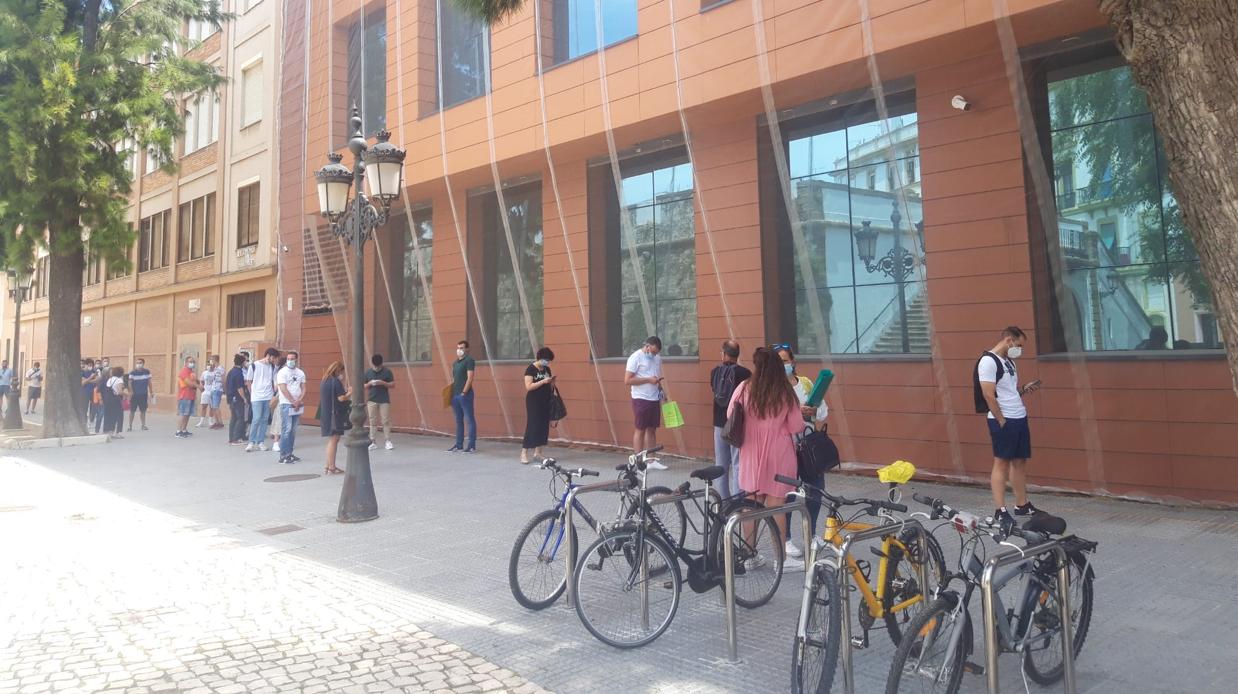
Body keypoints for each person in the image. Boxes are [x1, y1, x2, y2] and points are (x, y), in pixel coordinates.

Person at [727, 347, 805, 572]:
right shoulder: (784, 391)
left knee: (750, 505)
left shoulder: (743, 388)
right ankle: (781, 559)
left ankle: (749, 555)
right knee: (776, 505)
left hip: (750, 452)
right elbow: (796, 426)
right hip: (779, 453)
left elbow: (730, 415)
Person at [975, 326, 1042, 531]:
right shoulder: (988, 361)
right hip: (1004, 419)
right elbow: (988, 394)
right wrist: (1001, 419)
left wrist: (1023, 389)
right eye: (1018, 345)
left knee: (1020, 461)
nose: (1019, 350)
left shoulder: (1009, 361)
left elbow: (1008, 391)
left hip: (1019, 416)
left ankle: (1022, 504)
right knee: (1001, 463)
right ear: (1008, 340)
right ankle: (1000, 510)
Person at [774, 344, 829, 561]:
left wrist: (814, 411)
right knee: (787, 493)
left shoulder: (805, 383)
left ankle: (812, 534)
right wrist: (798, 412)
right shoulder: (774, 388)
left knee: (815, 489)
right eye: (779, 361)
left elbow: (823, 410)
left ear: (793, 362)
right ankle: (786, 538)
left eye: (786, 360)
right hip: (785, 446)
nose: (783, 365)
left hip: (807, 446)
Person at [710, 341, 751, 499]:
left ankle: (723, 503)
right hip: (737, 424)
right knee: (738, 463)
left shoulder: (714, 372)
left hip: (719, 423)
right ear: (737, 354)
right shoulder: (745, 373)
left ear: (723, 353)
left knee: (721, 464)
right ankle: (737, 502)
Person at [624, 336, 663, 454]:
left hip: (655, 397)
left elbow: (655, 376)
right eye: (653, 352)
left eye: (656, 353)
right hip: (641, 398)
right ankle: (638, 460)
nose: (654, 355)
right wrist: (648, 380)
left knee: (652, 429)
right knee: (640, 429)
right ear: (647, 346)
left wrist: (661, 389)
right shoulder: (635, 357)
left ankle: (651, 460)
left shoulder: (657, 358)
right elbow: (627, 380)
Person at [521, 347, 556, 464]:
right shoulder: (531, 369)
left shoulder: (547, 369)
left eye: (548, 360)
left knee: (543, 426)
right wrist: (542, 382)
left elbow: (549, 385)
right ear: (540, 358)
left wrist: (551, 382)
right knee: (533, 425)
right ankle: (524, 453)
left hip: (545, 400)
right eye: (545, 359)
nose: (547, 362)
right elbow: (528, 386)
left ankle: (538, 452)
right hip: (534, 401)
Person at [319, 361, 351, 474]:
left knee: (331, 440)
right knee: (334, 440)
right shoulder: (335, 382)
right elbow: (341, 398)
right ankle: (332, 466)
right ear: (338, 370)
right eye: (341, 371)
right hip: (335, 415)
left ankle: (328, 465)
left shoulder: (324, 381)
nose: (342, 374)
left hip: (327, 414)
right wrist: (349, 393)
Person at [275, 350, 306, 465]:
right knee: (286, 429)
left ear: (296, 360)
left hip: (297, 404)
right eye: (288, 359)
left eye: (292, 359)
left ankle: (289, 453)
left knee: (293, 430)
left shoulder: (300, 373)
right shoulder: (282, 372)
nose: (290, 361)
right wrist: (292, 401)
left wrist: (299, 400)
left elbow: (303, 387)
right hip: (286, 403)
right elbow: (283, 388)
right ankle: (283, 455)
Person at [246, 348, 280, 452]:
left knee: (265, 419)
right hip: (256, 397)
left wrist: (275, 389)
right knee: (256, 419)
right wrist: (252, 394)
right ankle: (251, 442)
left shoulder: (273, 367)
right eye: (274, 358)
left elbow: (274, 380)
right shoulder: (254, 365)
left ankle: (260, 442)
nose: (274, 360)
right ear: (269, 355)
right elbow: (248, 381)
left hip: (268, 396)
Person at [448, 340, 477, 453]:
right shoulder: (455, 363)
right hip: (455, 395)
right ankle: (458, 445)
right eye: (458, 347)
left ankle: (471, 445)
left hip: (465, 395)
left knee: (469, 419)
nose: (459, 350)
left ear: (467, 349)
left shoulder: (469, 361)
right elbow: (454, 379)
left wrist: (464, 392)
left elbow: (470, 378)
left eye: (462, 348)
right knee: (458, 420)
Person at [364, 354, 396, 451]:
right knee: (372, 421)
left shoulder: (387, 372)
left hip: (384, 400)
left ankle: (388, 441)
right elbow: (364, 385)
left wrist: (383, 383)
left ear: (382, 364)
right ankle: (372, 441)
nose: (377, 368)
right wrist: (370, 383)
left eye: (378, 366)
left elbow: (393, 384)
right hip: (371, 400)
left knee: (385, 420)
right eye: (375, 366)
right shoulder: (368, 372)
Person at [225, 354, 249, 445]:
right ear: (242, 362)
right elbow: (240, 388)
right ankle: (236, 438)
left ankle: (231, 438)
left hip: (231, 398)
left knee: (234, 418)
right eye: (246, 361)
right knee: (240, 418)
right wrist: (244, 398)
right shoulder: (239, 373)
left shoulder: (231, 371)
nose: (246, 363)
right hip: (237, 398)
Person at [175, 356, 199, 438]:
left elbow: (195, 381)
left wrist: (199, 383)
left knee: (187, 414)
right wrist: (199, 386)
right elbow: (188, 383)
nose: (192, 363)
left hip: (191, 395)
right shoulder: (184, 371)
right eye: (190, 361)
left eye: (193, 361)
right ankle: (178, 431)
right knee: (183, 414)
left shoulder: (191, 372)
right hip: (184, 396)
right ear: (185, 363)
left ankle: (184, 430)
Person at [198, 356, 225, 429]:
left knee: (216, 406)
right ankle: (216, 422)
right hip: (213, 389)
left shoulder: (220, 368)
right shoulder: (215, 369)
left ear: (215, 360)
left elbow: (223, 379)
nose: (210, 362)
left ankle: (220, 422)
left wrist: (224, 388)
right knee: (213, 406)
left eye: (211, 360)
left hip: (217, 389)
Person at [126, 359, 152, 431]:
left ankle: (143, 425)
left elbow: (149, 382)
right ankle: (130, 426)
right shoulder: (133, 372)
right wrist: (131, 391)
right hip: (135, 395)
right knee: (132, 411)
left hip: (143, 394)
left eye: (140, 363)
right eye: (137, 363)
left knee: (143, 411)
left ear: (143, 363)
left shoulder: (147, 372)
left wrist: (151, 391)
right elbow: (129, 382)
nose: (138, 364)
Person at [102, 366, 127, 438]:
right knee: (119, 416)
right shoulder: (119, 380)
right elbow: (119, 391)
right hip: (116, 400)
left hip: (108, 400)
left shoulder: (109, 380)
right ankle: (118, 432)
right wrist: (126, 394)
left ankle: (110, 432)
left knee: (110, 416)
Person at [93, 358, 111, 433]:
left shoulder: (110, 380)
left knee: (107, 416)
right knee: (100, 415)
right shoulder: (102, 381)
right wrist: (100, 400)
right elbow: (98, 391)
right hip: (102, 401)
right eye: (109, 372)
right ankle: (97, 429)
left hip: (108, 400)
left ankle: (105, 429)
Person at [80, 358, 99, 424]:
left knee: (94, 407)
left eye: (91, 365)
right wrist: (91, 378)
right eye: (89, 365)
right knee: (84, 408)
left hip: (93, 392)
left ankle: (91, 420)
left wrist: (87, 380)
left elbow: (97, 380)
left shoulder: (94, 371)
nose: (90, 366)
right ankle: (84, 422)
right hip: (84, 392)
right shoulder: (82, 372)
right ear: (86, 365)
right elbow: (82, 383)